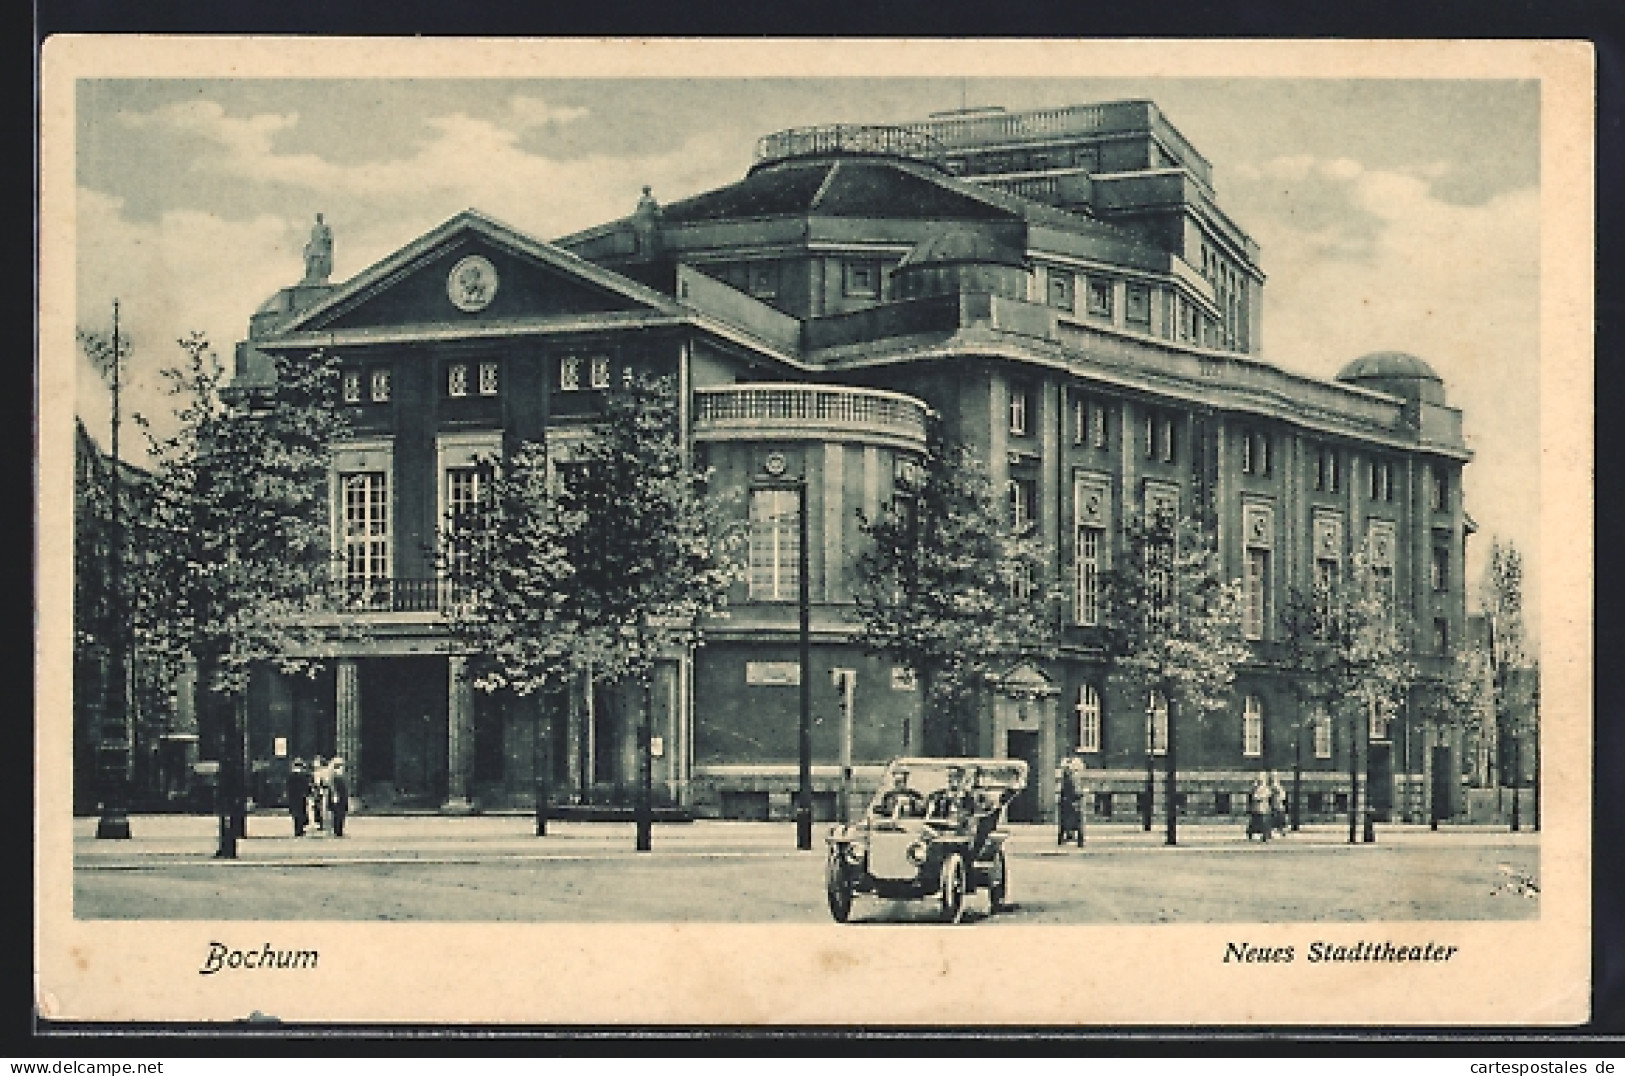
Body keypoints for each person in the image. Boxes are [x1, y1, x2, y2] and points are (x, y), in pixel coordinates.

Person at [1058, 753, 1087, 847]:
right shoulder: (1073, 778)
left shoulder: (1065, 778)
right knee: (1078, 823)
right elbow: (1076, 791)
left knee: (1064, 822)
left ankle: (1064, 838)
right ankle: (1079, 840)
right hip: (1074, 804)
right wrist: (1083, 793)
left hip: (1066, 803)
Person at [302, 213, 333, 285]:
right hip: (316, 247)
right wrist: (309, 245)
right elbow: (313, 239)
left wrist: (325, 239)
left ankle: (321, 278)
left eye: (320, 217)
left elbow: (329, 238)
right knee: (313, 261)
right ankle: (312, 277)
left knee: (320, 262)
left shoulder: (326, 228)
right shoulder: (314, 229)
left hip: (322, 248)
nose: (319, 219)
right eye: (318, 218)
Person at [285, 759, 312, 837]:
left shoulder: (290, 776)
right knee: (301, 813)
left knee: (296, 814)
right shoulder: (303, 776)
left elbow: (288, 787)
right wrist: (308, 793)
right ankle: (300, 829)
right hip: (301, 797)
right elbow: (306, 786)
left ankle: (298, 829)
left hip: (293, 797)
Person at [327, 757, 351, 837]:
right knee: (339, 815)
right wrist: (335, 795)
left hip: (340, 798)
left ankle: (338, 831)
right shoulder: (336, 777)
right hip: (339, 798)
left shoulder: (336, 776)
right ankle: (338, 831)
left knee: (339, 815)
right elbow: (335, 789)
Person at [1247, 774, 1272, 841]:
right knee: (1255, 822)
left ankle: (1265, 835)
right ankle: (1252, 833)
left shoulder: (1265, 789)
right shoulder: (1255, 788)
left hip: (1263, 808)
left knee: (1264, 822)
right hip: (1256, 808)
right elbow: (1252, 796)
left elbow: (1267, 796)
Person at [309, 755, 329, 832]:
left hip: (320, 791)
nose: (314, 763)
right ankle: (321, 823)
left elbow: (319, 783)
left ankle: (321, 823)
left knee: (320, 807)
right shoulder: (319, 771)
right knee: (319, 807)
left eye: (316, 762)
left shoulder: (320, 772)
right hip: (319, 791)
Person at [1269, 771, 1289, 836]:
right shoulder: (1272, 786)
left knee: (1279, 817)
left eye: (1274, 777)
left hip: (1278, 805)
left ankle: (1281, 829)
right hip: (1274, 805)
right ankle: (1275, 830)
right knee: (1273, 817)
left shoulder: (1277, 787)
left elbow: (1283, 796)